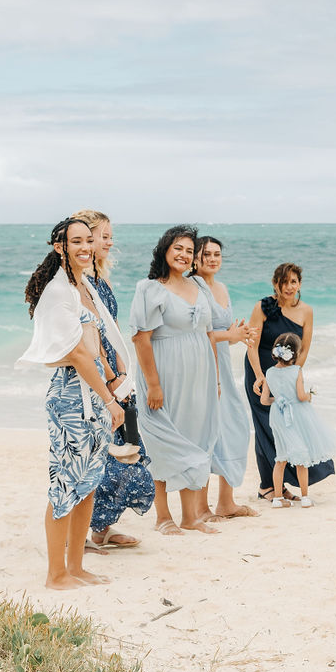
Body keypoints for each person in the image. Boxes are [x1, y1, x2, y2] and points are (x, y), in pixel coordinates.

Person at [18, 217, 128, 589]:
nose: (85, 247)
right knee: (66, 484)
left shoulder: (83, 286)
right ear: (59, 247)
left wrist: (115, 374)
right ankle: (56, 574)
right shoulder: (58, 291)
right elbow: (78, 355)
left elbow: (96, 345)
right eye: (75, 241)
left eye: (88, 240)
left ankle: (77, 566)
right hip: (71, 396)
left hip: (93, 392)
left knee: (89, 481)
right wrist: (110, 399)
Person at [72, 208, 155, 551]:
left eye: (108, 236)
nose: (107, 242)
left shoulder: (100, 280)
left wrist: (125, 373)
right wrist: (109, 376)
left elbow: (114, 331)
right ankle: (84, 532)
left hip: (117, 375)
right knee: (98, 455)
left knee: (126, 449)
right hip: (95, 377)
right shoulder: (77, 282)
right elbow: (89, 336)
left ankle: (102, 528)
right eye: (100, 236)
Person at [130, 225, 220, 535]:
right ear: (165, 251)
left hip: (198, 376)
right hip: (165, 374)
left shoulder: (198, 286)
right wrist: (153, 384)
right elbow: (141, 339)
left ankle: (191, 517)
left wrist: (215, 380)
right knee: (163, 442)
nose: (184, 254)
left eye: (189, 250)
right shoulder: (150, 288)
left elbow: (207, 334)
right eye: (177, 248)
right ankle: (162, 517)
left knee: (194, 438)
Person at [244, 263, 335, 502]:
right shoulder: (262, 307)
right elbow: (251, 345)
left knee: (291, 426)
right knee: (266, 426)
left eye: (293, 281)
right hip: (260, 372)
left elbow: (303, 349)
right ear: (275, 283)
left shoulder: (306, 311)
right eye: (283, 282)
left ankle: (280, 486)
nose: (288, 287)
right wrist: (260, 376)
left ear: (300, 284)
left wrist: (292, 376)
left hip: (287, 375)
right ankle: (268, 487)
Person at [192, 235, 256, 520]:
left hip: (225, 369)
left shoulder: (221, 287)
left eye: (217, 254)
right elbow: (194, 335)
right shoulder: (193, 288)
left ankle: (226, 503)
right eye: (207, 254)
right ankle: (201, 507)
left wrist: (238, 336)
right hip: (202, 369)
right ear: (196, 257)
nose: (213, 259)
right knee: (207, 435)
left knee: (236, 427)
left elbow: (221, 336)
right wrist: (229, 335)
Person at [262, 332, 336, 508]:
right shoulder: (297, 371)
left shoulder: (269, 372)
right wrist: (310, 396)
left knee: (280, 458)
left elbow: (264, 400)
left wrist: (277, 400)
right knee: (301, 456)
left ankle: (277, 499)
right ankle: (305, 497)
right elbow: (300, 396)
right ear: (295, 353)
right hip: (295, 414)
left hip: (277, 415)